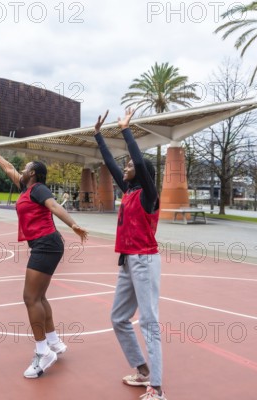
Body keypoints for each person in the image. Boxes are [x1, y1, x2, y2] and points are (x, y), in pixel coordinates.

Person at [0, 134, 88, 379]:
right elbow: (8, 167)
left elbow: (54, 206)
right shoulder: (26, 188)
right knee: (39, 297)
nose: (21, 169)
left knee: (30, 298)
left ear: (33, 173)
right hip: (44, 244)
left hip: (47, 244)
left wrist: (73, 224)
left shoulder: (40, 189)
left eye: (26, 168)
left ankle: (43, 352)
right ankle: (54, 342)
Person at [93, 109, 166, 400]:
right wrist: (99, 137)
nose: (125, 168)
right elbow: (111, 165)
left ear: (143, 172)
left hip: (145, 261)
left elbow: (137, 160)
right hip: (127, 260)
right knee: (118, 318)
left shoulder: (150, 195)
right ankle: (143, 370)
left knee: (149, 322)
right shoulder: (130, 192)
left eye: (130, 166)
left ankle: (157, 388)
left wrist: (126, 130)